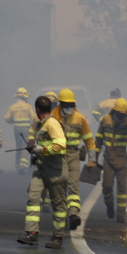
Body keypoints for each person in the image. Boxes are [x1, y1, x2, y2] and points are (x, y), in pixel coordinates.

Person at [17, 96, 68, 249]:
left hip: (55, 170)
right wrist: (34, 150)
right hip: (41, 168)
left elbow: (61, 144)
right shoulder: (41, 124)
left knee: (58, 204)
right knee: (33, 198)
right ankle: (31, 234)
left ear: (37, 109)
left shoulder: (52, 124)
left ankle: (57, 237)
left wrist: (43, 150)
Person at [53, 89, 97, 230]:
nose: (69, 107)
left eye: (71, 104)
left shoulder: (80, 118)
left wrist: (92, 160)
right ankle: (60, 216)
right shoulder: (53, 118)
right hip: (56, 156)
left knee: (73, 185)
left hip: (73, 155)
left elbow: (89, 140)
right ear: (60, 104)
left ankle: (73, 215)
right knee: (59, 187)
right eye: (66, 105)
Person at [94, 98, 127, 223]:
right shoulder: (106, 120)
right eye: (120, 113)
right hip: (108, 159)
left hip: (121, 158)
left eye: (124, 113)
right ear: (115, 110)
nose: (121, 115)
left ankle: (120, 214)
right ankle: (109, 206)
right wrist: (95, 160)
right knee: (107, 187)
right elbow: (98, 140)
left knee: (122, 189)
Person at [4, 88, 37, 173]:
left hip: (16, 130)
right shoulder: (28, 106)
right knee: (26, 146)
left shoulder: (12, 107)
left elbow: (7, 119)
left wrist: (13, 121)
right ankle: (23, 165)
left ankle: (17, 166)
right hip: (26, 129)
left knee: (18, 146)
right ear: (25, 96)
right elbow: (33, 118)